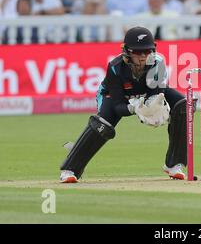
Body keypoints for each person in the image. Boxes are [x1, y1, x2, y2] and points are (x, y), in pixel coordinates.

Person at [60, 27, 188, 183]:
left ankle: (174, 165)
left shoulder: (158, 62)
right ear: (127, 52)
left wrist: (152, 107)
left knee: (182, 106)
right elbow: (118, 106)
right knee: (103, 126)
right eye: (138, 52)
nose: (143, 57)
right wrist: (135, 108)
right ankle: (70, 169)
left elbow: (157, 92)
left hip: (145, 93)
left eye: (147, 52)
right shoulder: (115, 67)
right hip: (113, 96)